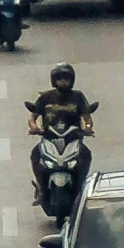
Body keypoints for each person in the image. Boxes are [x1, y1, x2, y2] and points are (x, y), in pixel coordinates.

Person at [25, 62, 96, 202]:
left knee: (86, 154)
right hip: (50, 138)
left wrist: (87, 127)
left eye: (66, 79)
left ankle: (81, 187)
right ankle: (40, 187)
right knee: (36, 154)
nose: (63, 82)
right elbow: (33, 117)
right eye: (60, 78)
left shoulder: (78, 97)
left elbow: (87, 117)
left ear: (72, 80)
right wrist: (34, 127)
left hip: (73, 138)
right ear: (54, 80)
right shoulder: (46, 97)